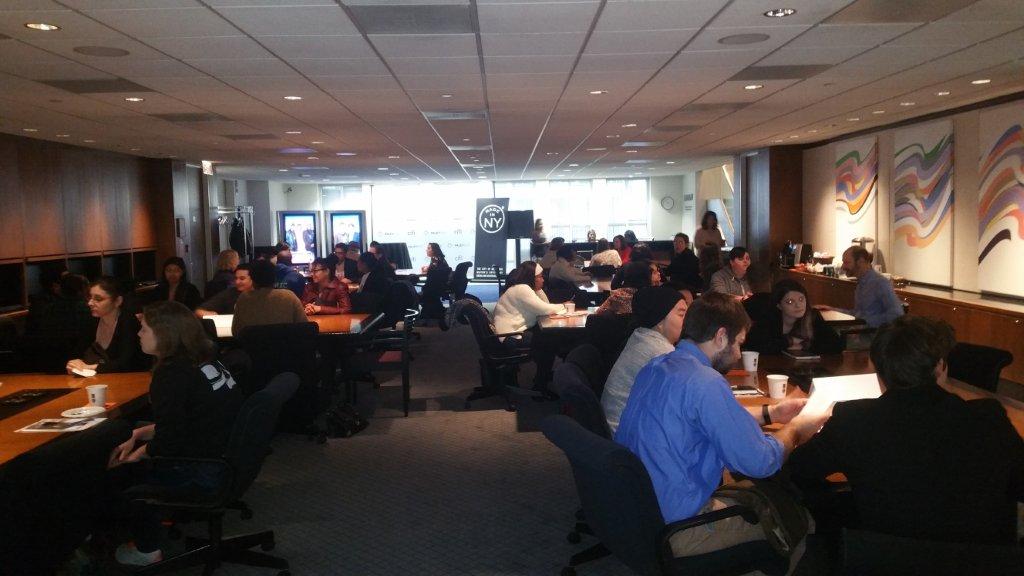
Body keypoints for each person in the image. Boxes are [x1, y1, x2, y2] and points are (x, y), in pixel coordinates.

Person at [615, 293, 826, 560]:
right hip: (679, 527)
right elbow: (759, 462)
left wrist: (771, 413)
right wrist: (797, 429)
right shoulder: (706, 381)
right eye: (738, 344)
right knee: (800, 521)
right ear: (721, 336)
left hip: (640, 511)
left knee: (756, 495)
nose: (738, 354)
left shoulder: (658, 366)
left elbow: (705, 420)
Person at [787, 316, 1024, 545]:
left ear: (877, 369)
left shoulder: (854, 419)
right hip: (985, 564)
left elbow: (798, 470)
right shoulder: (988, 416)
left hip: (888, 562)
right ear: (940, 366)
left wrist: (799, 432)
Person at [108, 301, 243, 566]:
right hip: (227, 457)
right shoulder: (205, 360)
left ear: (165, 334)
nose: (138, 334)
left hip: (203, 469)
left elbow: (170, 441)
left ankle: (147, 548)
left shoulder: (171, 375)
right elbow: (192, 420)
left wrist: (137, 454)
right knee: (134, 433)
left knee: (119, 470)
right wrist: (139, 435)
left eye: (144, 329)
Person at [601, 287, 687, 433]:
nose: (686, 321)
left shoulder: (641, 336)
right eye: (682, 314)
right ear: (660, 318)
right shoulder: (660, 352)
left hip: (620, 426)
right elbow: (684, 399)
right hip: (629, 435)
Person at [492, 261, 568, 392]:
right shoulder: (522, 289)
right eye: (540, 276)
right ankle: (540, 385)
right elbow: (544, 309)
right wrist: (564, 306)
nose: (543, 279)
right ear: (531, 278)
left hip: (512, 332)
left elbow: (545, 304)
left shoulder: (523, 288)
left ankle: (542, 378)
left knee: (547, 339)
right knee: (549, 343)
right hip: (510, 337)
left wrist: (539, 290)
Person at [67, 277, 147, 374]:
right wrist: (74, 364)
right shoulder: (91, 320)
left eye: (98, 299)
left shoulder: (129, 322)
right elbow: (79, 352)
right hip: (98, 380)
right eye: (89, 297)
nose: (90, 303)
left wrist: (89, 367)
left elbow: (127, 364)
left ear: (118, 301)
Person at [745, 280, 844, 355]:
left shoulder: (812, 316)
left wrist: (803, 346)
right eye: (790, 302)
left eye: (801, 299)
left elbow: (837, 345)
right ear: (779, 305)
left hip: (803, 368)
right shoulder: (769, 317)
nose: (798, 305)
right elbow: (755, 347)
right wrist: (790, 341)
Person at [817, 246, 903, 327]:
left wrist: (864, 322)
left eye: (846, 262)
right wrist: (832, 309)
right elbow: (857, 314)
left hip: (871, 338)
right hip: (860, 333)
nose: (843, 266)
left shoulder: (880, 283)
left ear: (860, 261)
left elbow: (897, 315)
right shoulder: (861, 283)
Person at [231, 260, 307, 336]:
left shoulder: (244, 298)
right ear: (274, 278)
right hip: (286, 347)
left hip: (253, 347)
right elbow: (304, 327)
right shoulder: (289, 297)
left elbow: (236, 331)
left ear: (252, 280)